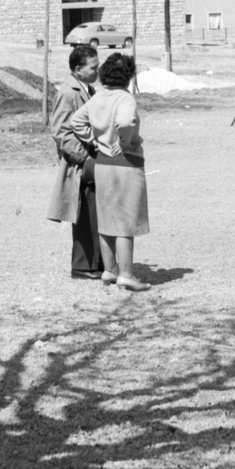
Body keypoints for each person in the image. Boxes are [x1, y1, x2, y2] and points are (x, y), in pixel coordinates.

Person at [69, 52, 150, 291]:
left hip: (102, 163)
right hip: (125, 163)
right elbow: (125, 122)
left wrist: (94, 141)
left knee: (106, 220)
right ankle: (126, 274)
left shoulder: (97, 97)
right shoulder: (125, 99)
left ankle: (109, 270)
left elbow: (76, 121)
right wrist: (124, 142)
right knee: (126, 221)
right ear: (128, 76)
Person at [45, 44, 102, 280]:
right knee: (86, 215)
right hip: (78, 164)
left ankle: (95, 263)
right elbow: (60, 132)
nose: (97, 71)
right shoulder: (68, 93)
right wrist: (85, 157)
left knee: (93, 213)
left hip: (86, 159)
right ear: (78, 69)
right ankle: (83, 266)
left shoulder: (85, 89)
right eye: (93, 67)